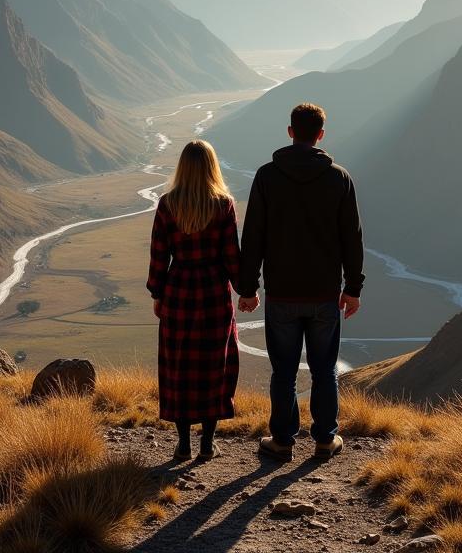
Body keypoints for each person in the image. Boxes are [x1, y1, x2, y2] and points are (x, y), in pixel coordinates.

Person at [237, 102, 364, 461]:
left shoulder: (267, 176)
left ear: (290, 132)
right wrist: (352, 288)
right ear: (321, 135)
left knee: (284, 373)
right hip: (324, 294)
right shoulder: (339, 178)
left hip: (282, 294)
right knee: (325, 371)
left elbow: (254, 237)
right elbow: (351, 238)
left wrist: (248, 288)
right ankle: (325, 439)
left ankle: (282, 441)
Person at [147, 139, 242, 462]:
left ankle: (183, 442)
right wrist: (246, 289)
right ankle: (208, 442)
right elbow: (232, 257)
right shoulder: (223, 205)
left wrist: (157, 293)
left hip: (178, 291)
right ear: (212, 166)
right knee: (213, 365)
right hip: (214, 293)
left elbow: (159, 255)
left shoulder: (167, 204)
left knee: (180, 366)